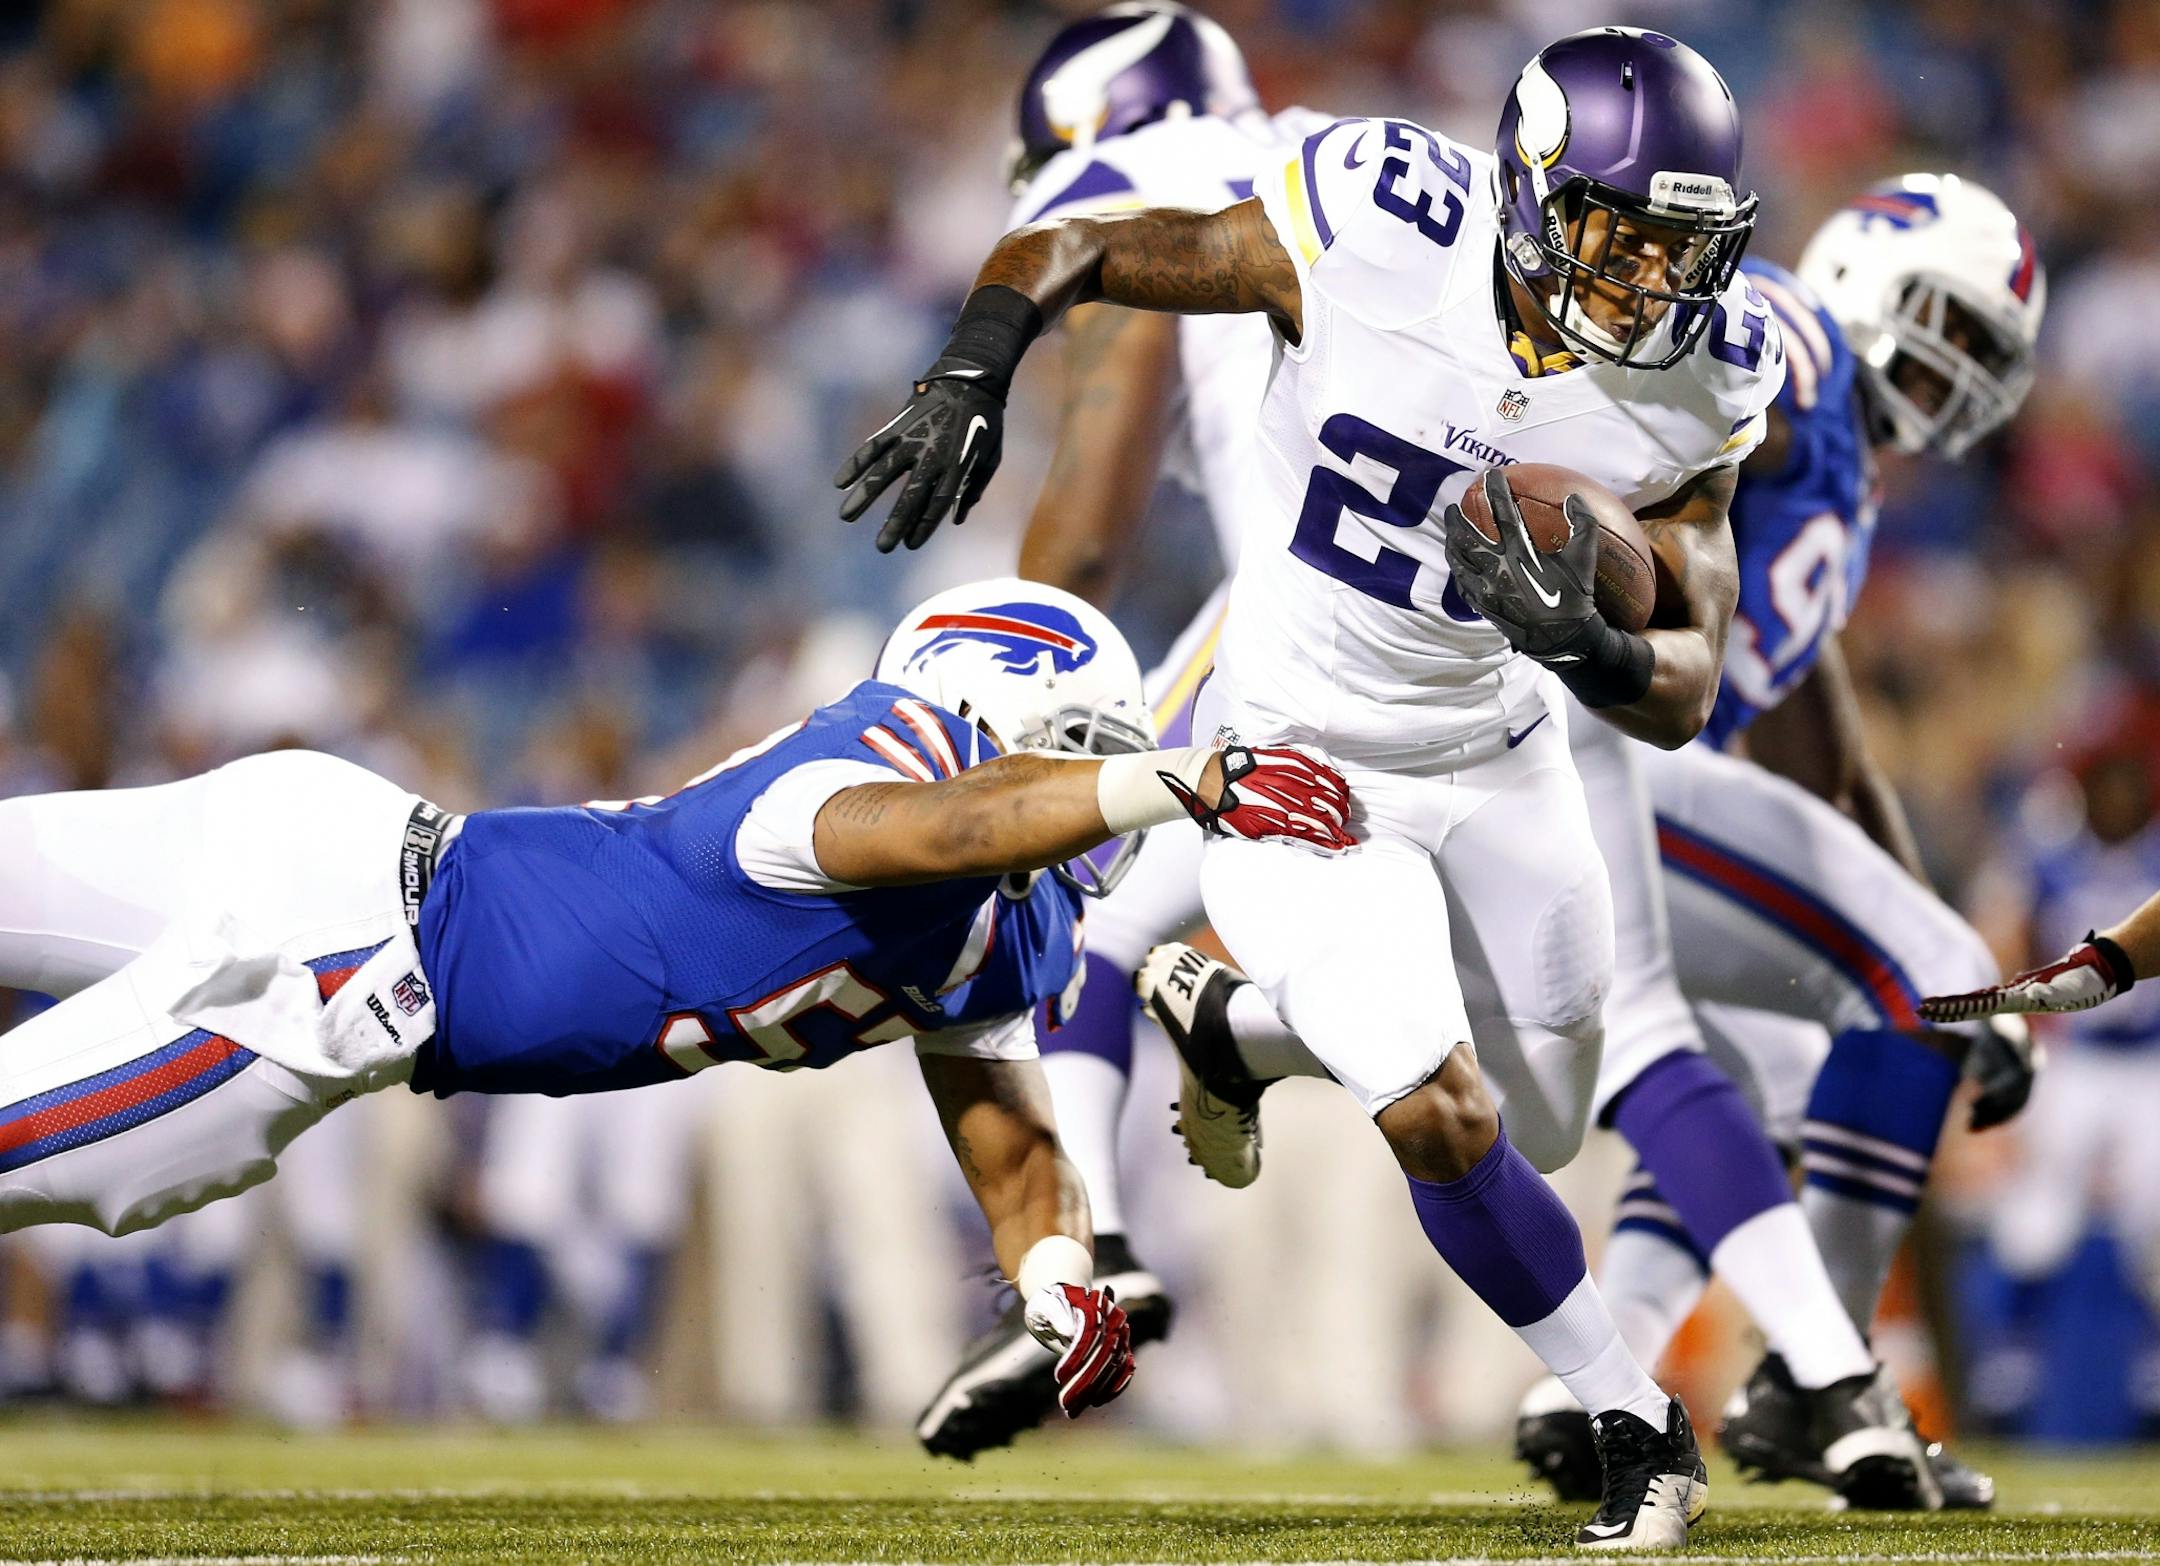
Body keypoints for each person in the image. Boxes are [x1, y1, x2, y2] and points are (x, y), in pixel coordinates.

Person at [842, 24, 1781, 1551]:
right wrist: (976, 365)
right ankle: (1635, 1421)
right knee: (1439, 1114)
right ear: (1534, 192)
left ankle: (1244, 1031)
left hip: (1502, 759)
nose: (1649, 281)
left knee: (1549, 1121)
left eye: (1681, 246)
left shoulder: (1703, 371)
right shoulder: (1375, 224)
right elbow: (1082, 241)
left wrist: (1593, 645)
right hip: (1298, 758)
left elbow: (1689, 680)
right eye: (1621, 234)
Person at [1141, 174, 2045, 1510]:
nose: (1950, 365)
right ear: (1863, 273)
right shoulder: (1779, 344)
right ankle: (1829, 1376)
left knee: (1757, 1059)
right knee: (1886, 979)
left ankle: (1271, 1050)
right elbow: (1670, 399)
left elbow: (1823, 748)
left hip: (1644, 735)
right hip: (1570, 729)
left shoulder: (1838, 483)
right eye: (1945, 322)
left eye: (1979, 351)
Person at [0, 577, 1353, 1422]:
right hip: (340, 967)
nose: (1090, 814)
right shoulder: (849, 784)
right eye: (1081, 759)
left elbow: (1010, 1146)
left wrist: (1057, 1279)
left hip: (334, 844)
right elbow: (945, 824)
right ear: (999, 724)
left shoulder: (988, 932)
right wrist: (1181, 780)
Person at [909, 0, 1332, 1462]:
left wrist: (998, 695)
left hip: (1323, 613)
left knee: (1059, 878)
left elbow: (1090, 518)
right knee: (1567, 1043)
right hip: (1513, 617)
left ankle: (1089, 1252)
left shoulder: (1151, 193)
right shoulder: (1330, 158)